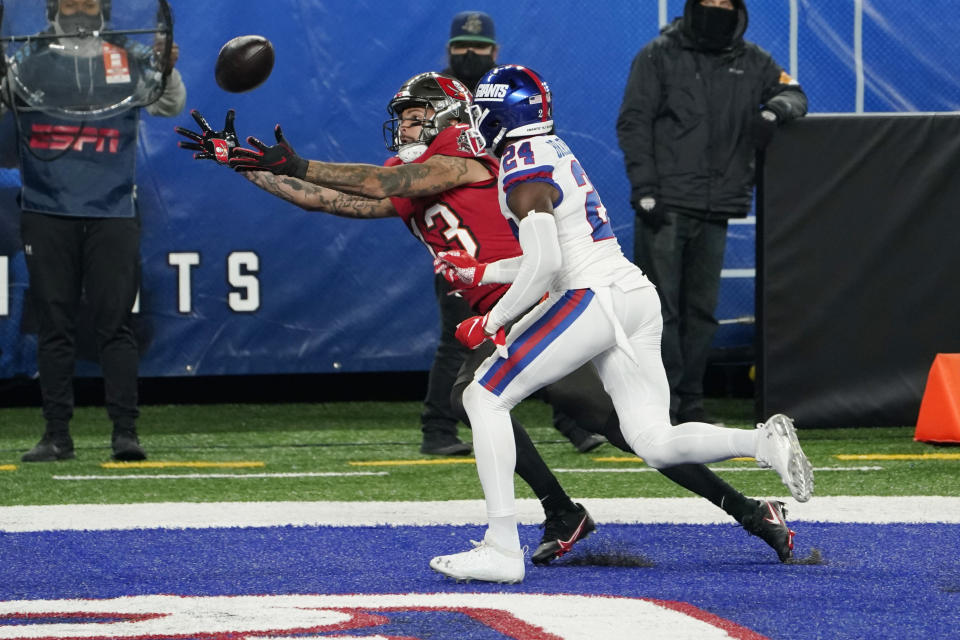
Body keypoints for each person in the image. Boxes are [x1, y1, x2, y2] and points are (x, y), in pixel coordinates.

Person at [177, 71, 802, 568]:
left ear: (449, 117)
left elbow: (372, 180)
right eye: (401, 116)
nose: (404, 124)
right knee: (615, 424)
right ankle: (745, 509)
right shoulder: (422, 178)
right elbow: (328, 199)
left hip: (542, 300)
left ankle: (564, 517)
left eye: (415, 113)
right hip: (527, 304)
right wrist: (247, 164)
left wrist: (293, 161)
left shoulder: (462, 158)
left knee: (488, 398)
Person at [429, 64, 813, 584]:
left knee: (483, 396)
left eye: (483, 112)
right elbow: (553, 252)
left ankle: (501, 546)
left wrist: (492, 320)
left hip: (594, 297)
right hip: (631, 294)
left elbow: (547, 267)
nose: (477, 121)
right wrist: (483, 271)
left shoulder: (521, 164)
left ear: (501, 115)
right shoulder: (548, 151)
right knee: (653, 439)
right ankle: (760, 443)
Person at [2, 0, 186, 462]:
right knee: (54, 326)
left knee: (114, 325)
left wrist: (167, 68)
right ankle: (56, 436)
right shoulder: (26, 60)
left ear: (103, 7)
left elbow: (169, 104)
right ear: (53, 8)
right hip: (45, 208)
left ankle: (125, 433)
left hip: (113, 209)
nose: (80, 7)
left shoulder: (127, 57)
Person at [417, 10, 605, 456]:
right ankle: (437, 429)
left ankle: (573, 419)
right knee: (458, 337)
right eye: (461, 45)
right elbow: (418, 159)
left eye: (478, 47)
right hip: (467, 229)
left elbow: (539, 147)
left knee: (551, 319)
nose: (469, 53)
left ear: (494, 51)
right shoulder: (437, 97)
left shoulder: (508, 95)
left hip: (517, 220)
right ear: (449, 49)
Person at [616, 0, 808, 425]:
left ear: (737, 8)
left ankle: (691, 404)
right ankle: (655, 407)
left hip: (718, 206)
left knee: (701, 314)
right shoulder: (657, 54)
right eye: (709, 2)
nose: (716, 9)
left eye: (725, 2)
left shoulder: (753, 60)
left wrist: (774, 111)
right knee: (656, 312)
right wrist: (645, 188)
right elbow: (634, 121)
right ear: (692, 5)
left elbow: (794, 94)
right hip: (664, 205)